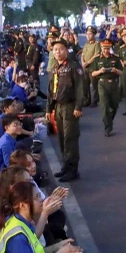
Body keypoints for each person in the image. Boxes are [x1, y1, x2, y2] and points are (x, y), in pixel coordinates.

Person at [47, 39, 85, 182]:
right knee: (62, 138)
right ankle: (66, 166)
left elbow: (80, 87)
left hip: (70, 107)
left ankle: (72, 169)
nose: (58, 52)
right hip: (58, 107)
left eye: (61, 49)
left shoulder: (73, 66)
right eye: (55, 49)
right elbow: (51, 90)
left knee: (70, 138)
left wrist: (78, 106)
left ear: (66, 50)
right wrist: (48, 108)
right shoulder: (55, 67)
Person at [90, 40, 123, 137]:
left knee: (114, 106)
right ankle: (108, 128)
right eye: (104, 48)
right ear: (101, 48)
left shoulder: (115, 58)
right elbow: (93, 73)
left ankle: (109, 120)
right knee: (104, 106)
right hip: (102, 84)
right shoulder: (97, 59)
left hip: (113, 84)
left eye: (108, 48)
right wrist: (100, 71)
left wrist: (116, 70)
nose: (106, 51)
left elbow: (122, 72)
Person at [79, 27, 100, 108]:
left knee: (94, 85)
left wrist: (87, 62)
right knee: (85, 85)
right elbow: (83, 54)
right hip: (85, 68)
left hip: (93, 67)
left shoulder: (96, 44)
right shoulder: (86, 44)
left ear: (94, 34)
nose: (88, 35)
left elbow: (96, 55)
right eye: (87, 34)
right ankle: (87, 100)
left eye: (90, 34)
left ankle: (95, 101)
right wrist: (83, 62)